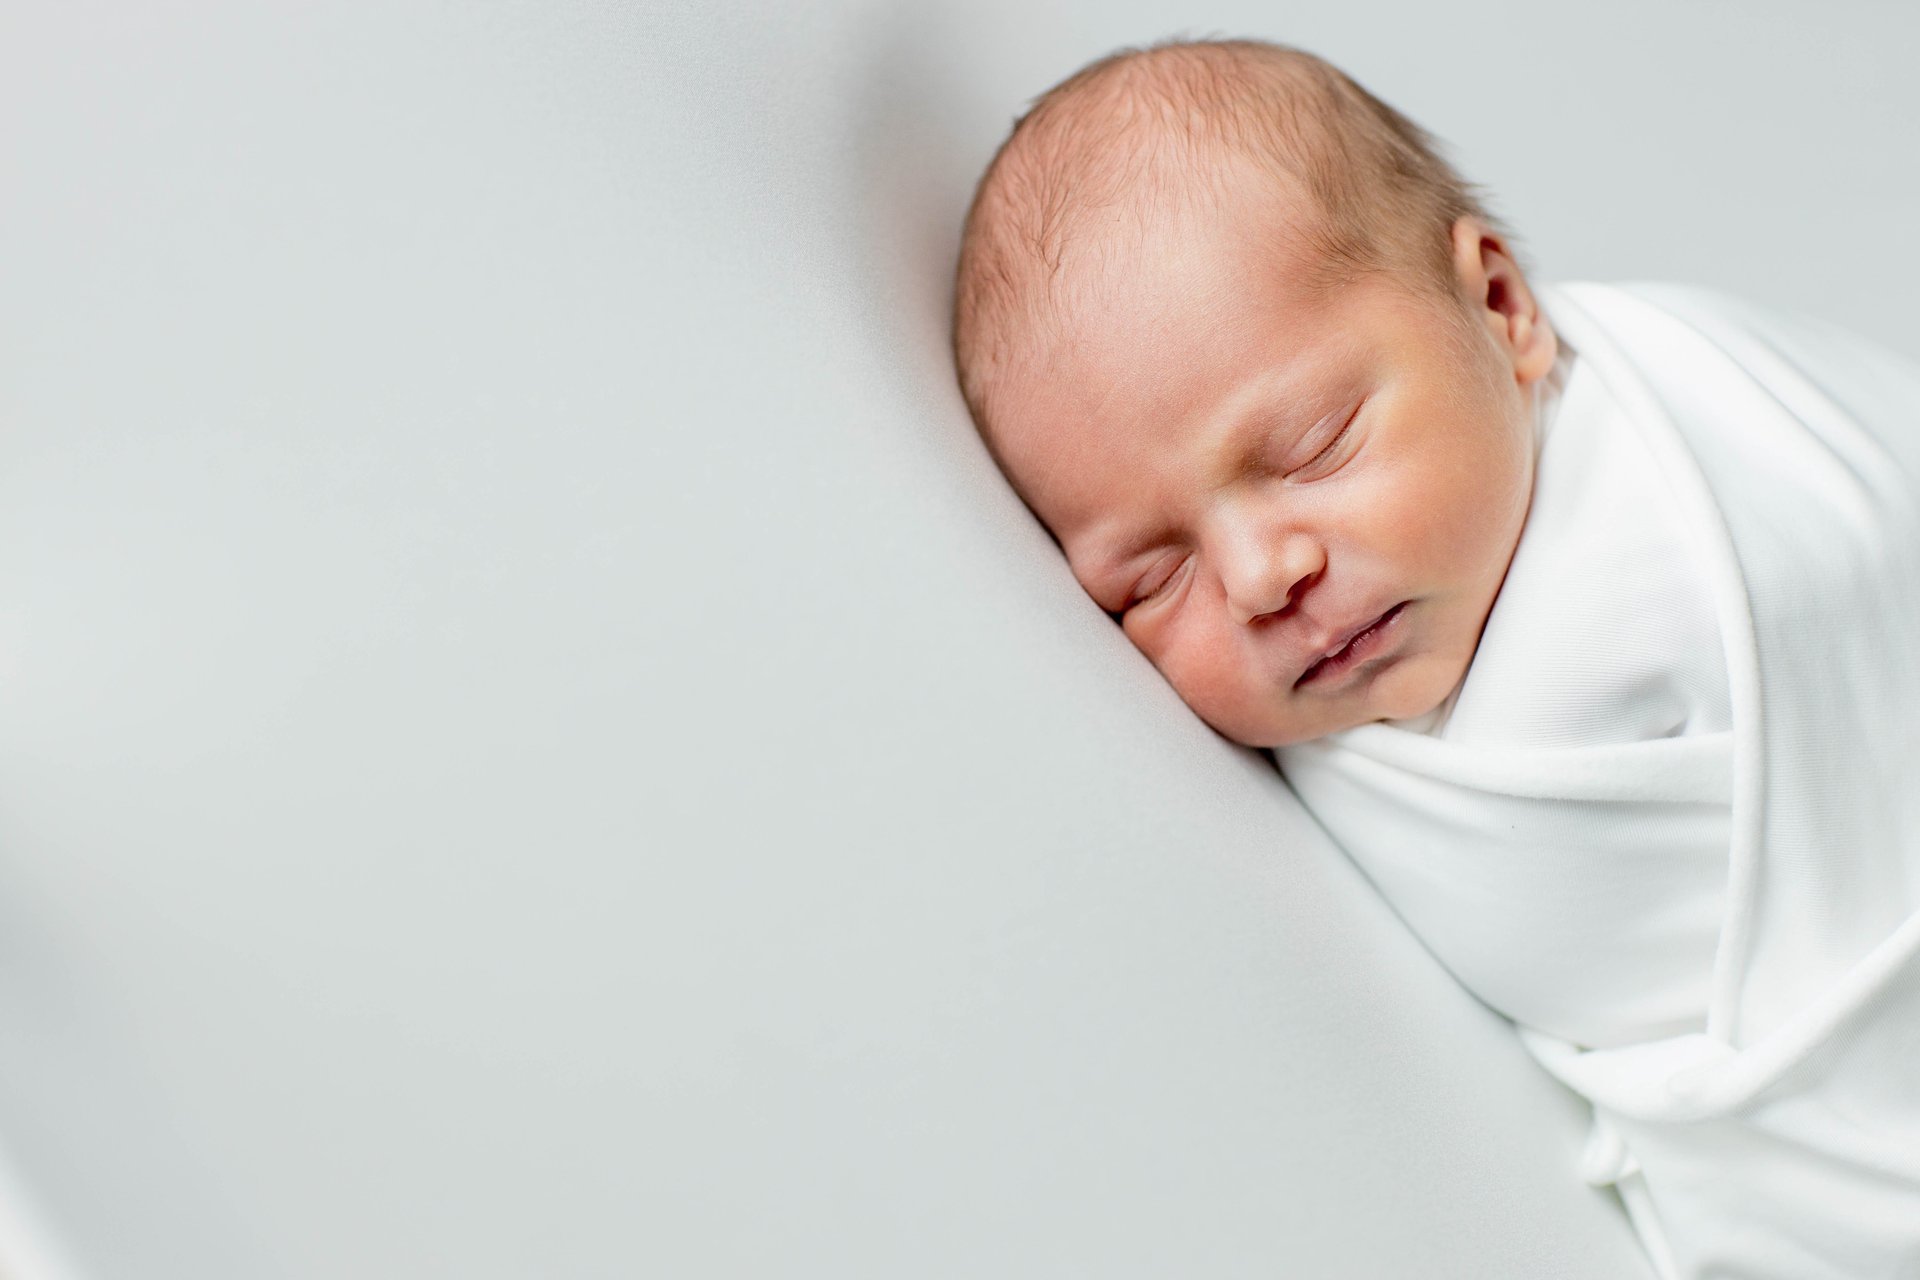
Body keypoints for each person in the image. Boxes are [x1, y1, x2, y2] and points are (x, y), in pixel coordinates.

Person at [951, 38, 1920, 1279]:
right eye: (1152, 577)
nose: (1259, 575)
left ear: (1504, 309)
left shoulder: (1680, 489)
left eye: (1310, 444)